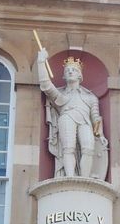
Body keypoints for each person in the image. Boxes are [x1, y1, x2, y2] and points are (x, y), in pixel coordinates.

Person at [37, 49, 108, 179]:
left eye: (74, 70)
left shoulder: (90, 97)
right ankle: (70, 178)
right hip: (67, 118)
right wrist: (41, 62)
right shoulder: (61, 95)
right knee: (68, 148)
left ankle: (84, 178)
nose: (70, 71)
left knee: (88, 148)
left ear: (80, 76)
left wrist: (101, 134)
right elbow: (46, 85)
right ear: (64, 76)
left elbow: (96, 117)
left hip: (85, 122)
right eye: (67, 70)